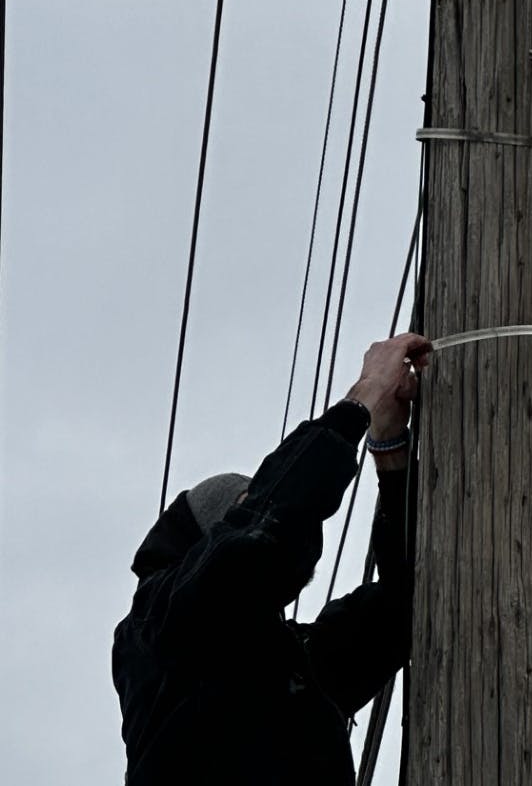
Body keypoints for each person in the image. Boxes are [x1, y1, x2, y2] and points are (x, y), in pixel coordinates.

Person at [112, 333, 432, 786]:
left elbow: (403, 604)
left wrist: (389, 447)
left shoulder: (289, 668)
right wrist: (360, 400)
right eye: (245, 511)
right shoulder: (156, 629)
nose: (265, 513)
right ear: (201, 542)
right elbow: (259, 541)